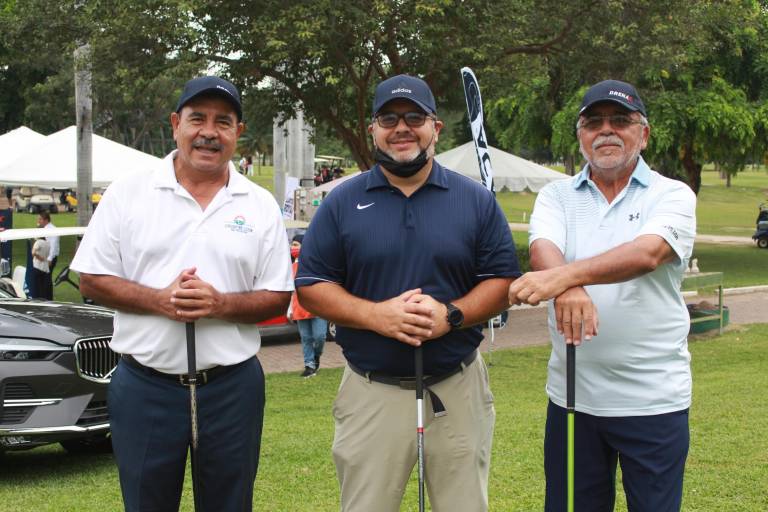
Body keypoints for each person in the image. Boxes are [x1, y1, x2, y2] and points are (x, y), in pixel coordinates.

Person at [296, 74, 520, 512]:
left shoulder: (474, 200)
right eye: (389, 118)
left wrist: (451, 315)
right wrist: (377, 315)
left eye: (414, 117)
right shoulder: (342, 202)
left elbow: (502, 283)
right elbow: (311, 286)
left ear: (435, 127)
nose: (402, 127)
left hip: (456, 385)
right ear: (373, 130)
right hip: (371, 390)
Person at [71, 76, 293, 512]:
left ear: (238, 133)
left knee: (230, 505)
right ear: (176, 124)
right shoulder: (129, 193)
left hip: (231, 388)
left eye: (223, 122)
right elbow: (91, 280)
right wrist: (160, 300)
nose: (209, 132)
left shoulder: (258, 203)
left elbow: (277, 297)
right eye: (197, 119)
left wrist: (220, 304)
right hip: (145, 385)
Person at [508, 79, 697, 512]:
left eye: (621, 121)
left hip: (653, 401)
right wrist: (569, 286)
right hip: (573, 399)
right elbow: (543, 248)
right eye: (594, 122)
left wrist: (560, 281)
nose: (606, 130)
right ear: (580, 136)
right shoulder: (556, 194)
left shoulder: (672, 193)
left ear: (643, 134)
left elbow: (648, 253)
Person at [288, 234, 327, 378]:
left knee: (320, 337)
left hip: (318, 307)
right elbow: (290, 290)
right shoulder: (290, 267)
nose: (293, 247)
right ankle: (309, 365)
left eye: (296, 244)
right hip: (299, 307)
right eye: (292, 244)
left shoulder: (315, 263)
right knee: (306, 338)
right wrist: (289, 310)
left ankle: (316, 356)